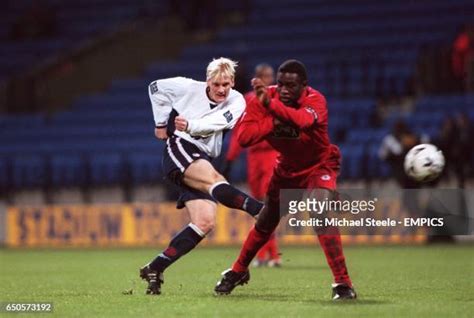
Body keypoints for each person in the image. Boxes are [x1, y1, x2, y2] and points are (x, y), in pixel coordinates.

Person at [214, 59, 356, 300]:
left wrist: (270, 107)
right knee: (266, 219)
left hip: (319, 165)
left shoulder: (315, 100)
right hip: (287, 169)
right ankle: (238, 271)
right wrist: (271, 120)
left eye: (291, 85)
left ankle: (343, 284)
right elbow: (246, 137)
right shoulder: (263, 98)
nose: (284, 90)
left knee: (319, 209)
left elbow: (302, 121)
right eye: (281, 84)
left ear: (304, 86)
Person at [140, 57, 265, 295]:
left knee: (205, 222)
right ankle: (258, 209)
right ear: (207, 81)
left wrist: (191, 125)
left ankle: (155, 267)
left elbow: (216, 123)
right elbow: (155, 87)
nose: (221, 89)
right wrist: (160, 122)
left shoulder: (237, 100)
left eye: (226, 84)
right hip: (181, 147)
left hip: (202, 155)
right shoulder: (187, 87)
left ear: (233, 83)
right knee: (215, 180)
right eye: (216, 84)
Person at [224, 63, 281, 267]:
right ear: (257, 78)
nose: (269, 80)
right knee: (259, 205)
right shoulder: (248, 100)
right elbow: (239, 132)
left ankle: (270, 255)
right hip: (254, 156)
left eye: (271, 76)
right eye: (265, 76)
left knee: (267, 205)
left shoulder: (276, 98)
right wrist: (230, 159)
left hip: (271, 155)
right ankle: (268, 254)